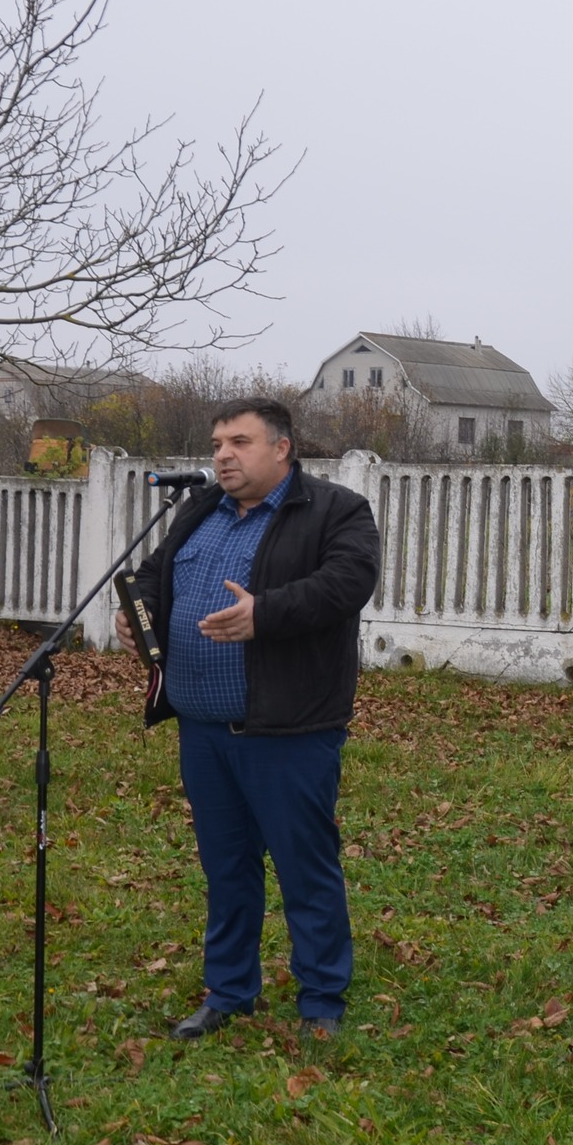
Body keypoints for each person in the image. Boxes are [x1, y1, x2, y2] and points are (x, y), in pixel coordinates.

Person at [117, 398, 380, 1040]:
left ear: (281, 448)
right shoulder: (200, 510)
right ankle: (230, 990)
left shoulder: (333, 511)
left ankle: (322, 1003)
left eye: (239, 442)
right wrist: (138, 615)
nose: (222, 456)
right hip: (203, 732)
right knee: (226, 869)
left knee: (304, 867)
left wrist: (265, 614)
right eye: (216, 445)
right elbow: (153, 576)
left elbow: (348, 583)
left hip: (288, 729)